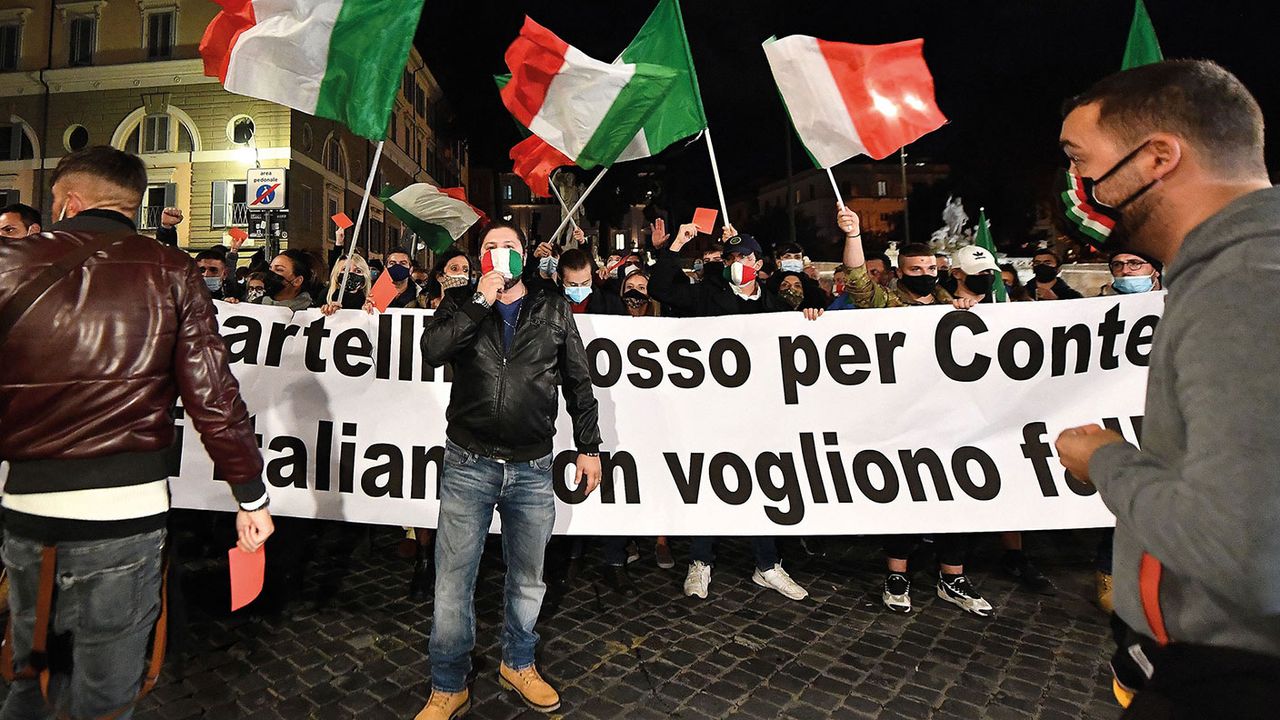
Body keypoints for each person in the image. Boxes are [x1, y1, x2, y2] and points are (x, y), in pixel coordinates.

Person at [0, 146, 274, 719]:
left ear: (70, 200)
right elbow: (213, 394)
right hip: (127, 510)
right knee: (107, 694)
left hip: (28, 503)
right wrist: (251, 496)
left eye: (54, 201)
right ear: (135, 201)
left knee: (29, 678)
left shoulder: (10, 261)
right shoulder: (171, 269)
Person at [1052, 60, 1280, 717]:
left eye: (1080, 161)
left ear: (1157, 157)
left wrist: (1106, 459)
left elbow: (1239, 549)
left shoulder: (1246, 285)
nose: (1078, 190)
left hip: (1234, 675)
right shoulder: (1232, 271)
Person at [417, 222, 603, 719]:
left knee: (528, 576)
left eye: (509, 248)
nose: (500, 255)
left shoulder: (553, 307)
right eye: (489, 248)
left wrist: (589, 446)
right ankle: (447, 683)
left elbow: (578, 382)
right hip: (468, 463)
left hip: (532, 468)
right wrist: (478, 300)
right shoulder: (460, 304)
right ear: (479, 259)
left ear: (526, 255)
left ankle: (518, 662)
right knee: (453, 578)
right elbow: (432, 352)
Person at [831, 206, 991, 615]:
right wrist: (853, 235)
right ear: (900, 273)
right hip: (902, 418)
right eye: (914, 268)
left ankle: (951, 576)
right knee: (903, 494)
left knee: (957, 494)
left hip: (953, 419)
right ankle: (897, 575)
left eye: (929, 266)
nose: (924, 273)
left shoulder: (954, 304)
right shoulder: (885, 304)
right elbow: (858, 281)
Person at [650, 221, 812, 602]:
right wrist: (676, 246)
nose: (739, 262)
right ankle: (700, 561)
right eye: (732, 257)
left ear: (759, 262)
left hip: (759, 412)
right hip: (712, 409)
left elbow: (806, 321)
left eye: (746, 257)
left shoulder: (775, 300)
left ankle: (767, 564)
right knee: (710, 480)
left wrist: (814, 315)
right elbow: (660, 288)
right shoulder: (708, 293)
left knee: (760, 482)